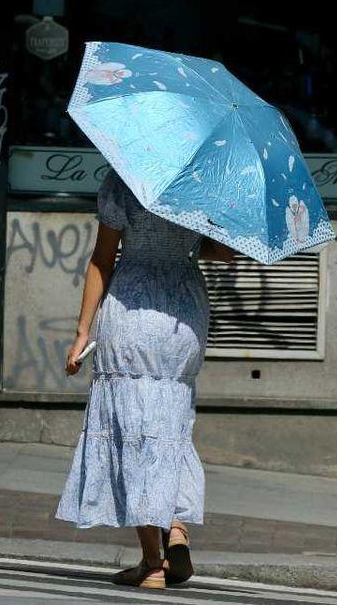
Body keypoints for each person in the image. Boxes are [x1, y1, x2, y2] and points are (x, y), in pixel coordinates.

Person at [57, 171, 234, 589]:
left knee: (130, 428)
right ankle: (176, 527)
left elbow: (102, 258)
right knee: (171, 424)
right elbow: (226, 252)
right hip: (183, 311)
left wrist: (83, 330)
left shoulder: (125, 180)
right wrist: (186, 245)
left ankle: (153, 563)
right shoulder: (207, 183)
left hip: (132, 304)